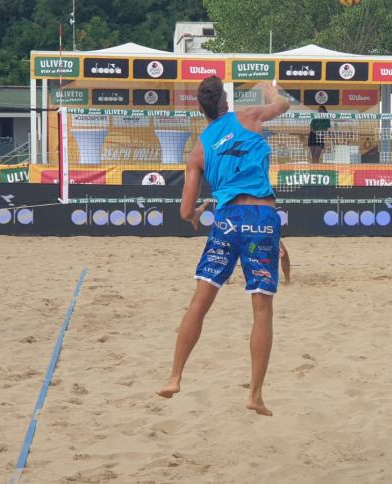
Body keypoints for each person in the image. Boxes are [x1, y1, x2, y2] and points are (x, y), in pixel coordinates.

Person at [156, 76, 290, 416]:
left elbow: (185, 211)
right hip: (261, 217)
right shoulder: (249, 116)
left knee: (199, 303)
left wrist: (199, 210)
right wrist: (271, 89)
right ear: (225, 102)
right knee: (261, 310)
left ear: (202, 110)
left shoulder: (198, 150)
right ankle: (255, 394)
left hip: (227, 221)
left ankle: (174, 376)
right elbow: (283, 105)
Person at [192, 199, 291, 284]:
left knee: (283, 252)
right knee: (233, 251)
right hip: (242, 224)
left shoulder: (261, 198)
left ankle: (287, 280)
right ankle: (227, 281)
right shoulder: (239, 198)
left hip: (259, 226)